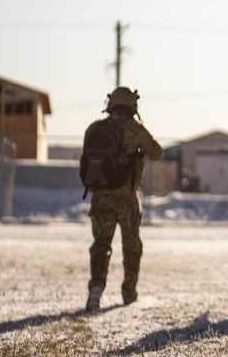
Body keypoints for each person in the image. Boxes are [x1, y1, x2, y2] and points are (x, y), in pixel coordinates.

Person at [84, 86, 164, 311]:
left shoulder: (95, 128)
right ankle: (129, 292)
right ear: (131, 104)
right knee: (131, 246)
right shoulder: (135, 129)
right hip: (127, 200)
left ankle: (96, 291)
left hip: (100, 199)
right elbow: (157, 153)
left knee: (101, 245)